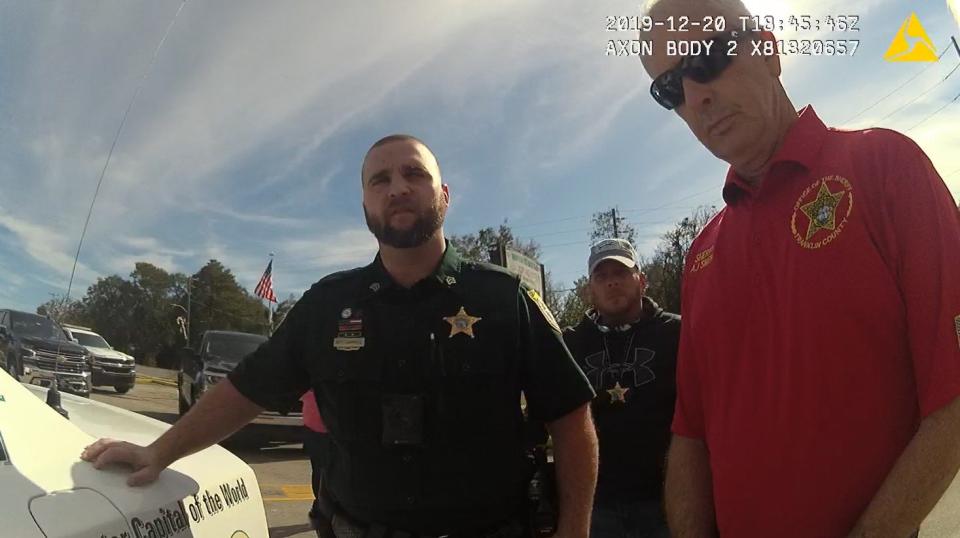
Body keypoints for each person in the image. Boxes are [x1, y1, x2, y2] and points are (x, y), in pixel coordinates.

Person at [81, 134, 599, 538]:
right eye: (379, 180)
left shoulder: (504, 298)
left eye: (414, 174)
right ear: (365, 206)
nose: (397, 187)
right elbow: (245, 391)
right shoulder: (328, 305)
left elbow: (572, 419)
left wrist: (575, 530)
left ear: (443, 194)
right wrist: (159, 452)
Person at [638, 1, 960, 536]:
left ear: (768, 50)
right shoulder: (701, 256)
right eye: (669, 89)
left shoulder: (884, 167)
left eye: (706, 59)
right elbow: (691, 434)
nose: (696, 96)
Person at [563, 238, 679, 538]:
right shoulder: (570, 343)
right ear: (590, 289)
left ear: (641, 281)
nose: (612, 283)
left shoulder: (676, 332)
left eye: (621, 273)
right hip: (598, 505)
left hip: (668, 501)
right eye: (602, 277)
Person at [301, 389, 332, 536]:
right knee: (320, 471)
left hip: (321, 428)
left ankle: (320, 507)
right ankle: (320, 507)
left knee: (321, 471)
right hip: (317, 428)